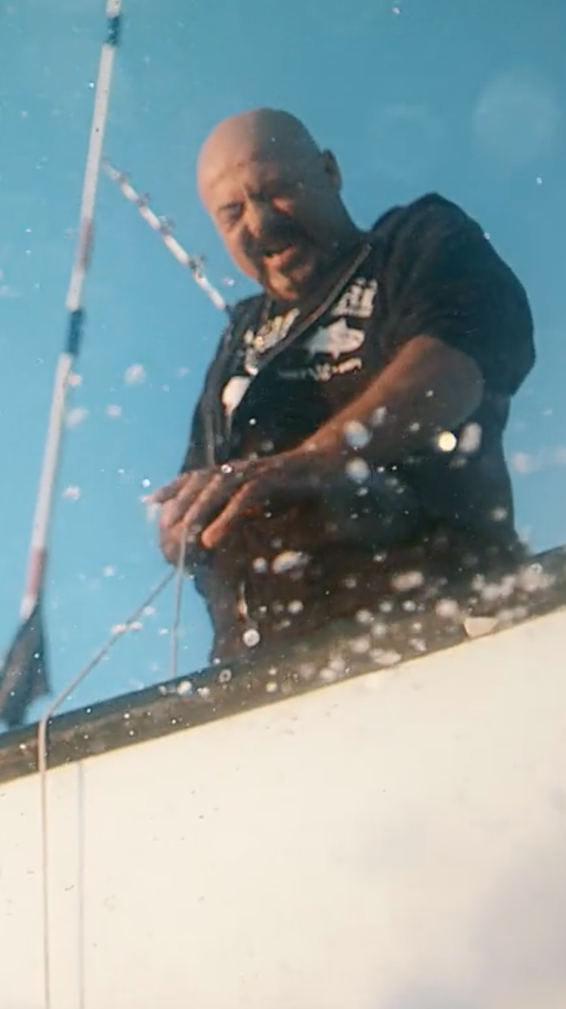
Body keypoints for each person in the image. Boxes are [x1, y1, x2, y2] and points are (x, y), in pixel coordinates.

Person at [151, 108, 537, 662]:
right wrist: (183, 523)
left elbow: (454, 366)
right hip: (263, 675)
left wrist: (313, 461)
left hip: (443, 632)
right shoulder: (239, 335)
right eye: (232, 212)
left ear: (329, 171)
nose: (261, 223)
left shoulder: (414, 241)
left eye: (276, 190)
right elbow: (206, 481)